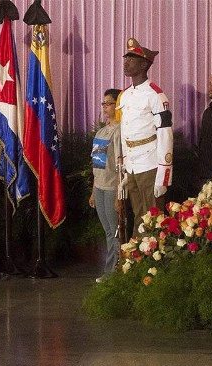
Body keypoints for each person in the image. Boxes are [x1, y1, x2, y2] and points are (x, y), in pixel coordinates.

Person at [117, 38, 173, 237]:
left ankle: (154, 261)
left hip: (150, 163)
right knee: (137, 215)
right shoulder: (124, 96)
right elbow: (125, 131)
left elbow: (165, 134)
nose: (126, 62)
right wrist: (123, 167)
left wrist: (163, 176)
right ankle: (137, 259)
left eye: (131, 59)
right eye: (126, 58)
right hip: (132, 164)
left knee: (153, 217)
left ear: (143, 64)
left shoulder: (155, 95)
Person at [90, 88, 123, 282]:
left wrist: (119, 193)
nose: (105, 107)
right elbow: (97, 163)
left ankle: (113, 271)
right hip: (100, 186)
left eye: (109, 103)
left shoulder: (120, 131)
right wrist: (94, 191)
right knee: (108, 231)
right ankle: (110, 270)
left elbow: (120, 165)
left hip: (112, 187)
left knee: (115, 230)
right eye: (104, 103)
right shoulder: (102, 132)